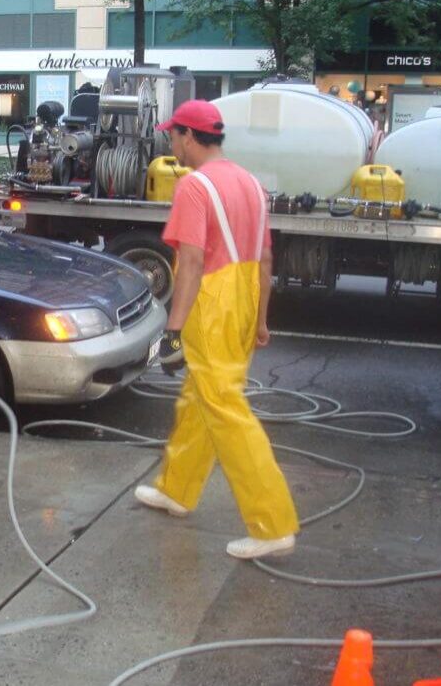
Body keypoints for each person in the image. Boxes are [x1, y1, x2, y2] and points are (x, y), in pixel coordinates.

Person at [134, 100, 300, 560]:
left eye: (173, 136)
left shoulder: (194, 186)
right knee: (201, 398)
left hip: (212, 302)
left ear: (189, 136)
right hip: (244, 297)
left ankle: (272, 523)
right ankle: (177, 488)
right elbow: (266, 259)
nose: (171, 144)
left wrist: (173, 328)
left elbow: (189, 263)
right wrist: (261, 317)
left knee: (224, 407)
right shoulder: (250, 182)